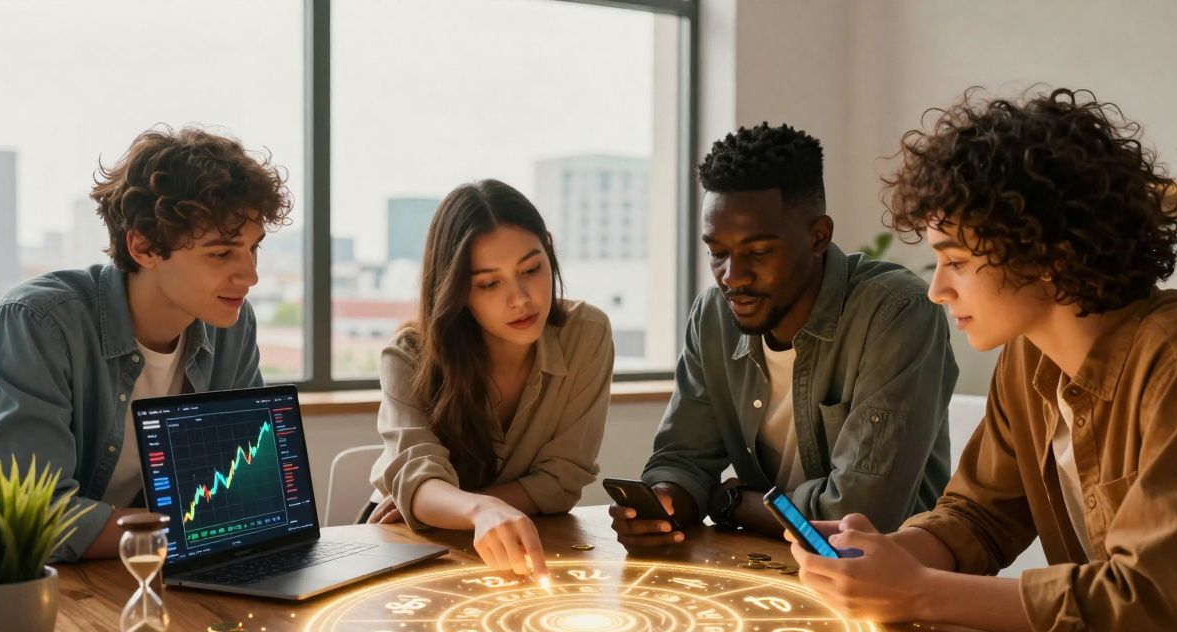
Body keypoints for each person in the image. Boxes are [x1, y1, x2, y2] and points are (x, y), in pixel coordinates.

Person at [788, 88, 1177, 632]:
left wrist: (921, 593)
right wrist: (897, 555)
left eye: (958, 262)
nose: (936, 289)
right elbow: (979, 516)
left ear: (1050, 254)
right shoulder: (1027, 358)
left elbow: (1153, 602)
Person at [0, 126, 290, 563]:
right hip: (4, 587)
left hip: (133, 572)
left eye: (254, 249)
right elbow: (31, 518)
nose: (249, 276)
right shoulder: (37, 324)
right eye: (221, 254)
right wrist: (198, 528)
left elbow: (243, 490)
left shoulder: (230, 322)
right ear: (143, 246)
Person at [611, 123, 956, 549]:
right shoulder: (713, 316)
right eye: (718, 253)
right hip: (768, 566)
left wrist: (733, 501)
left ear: (818, 237)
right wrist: (663, 502)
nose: (731, 277)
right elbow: (683, 459)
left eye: (757, 253)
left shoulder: (896, 311)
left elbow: (859, 517)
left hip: (890, 583)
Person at [369, 179, 615, 578]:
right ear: (456, 288)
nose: (520, 298)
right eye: (488, 283)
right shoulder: (408, 355)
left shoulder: (587, 334)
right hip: (407, 541)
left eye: (532, 269)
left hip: (508, 540)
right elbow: (419, 482)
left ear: (549, 251)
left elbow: (562, 481)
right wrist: (454, 506)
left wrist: (460, 506)